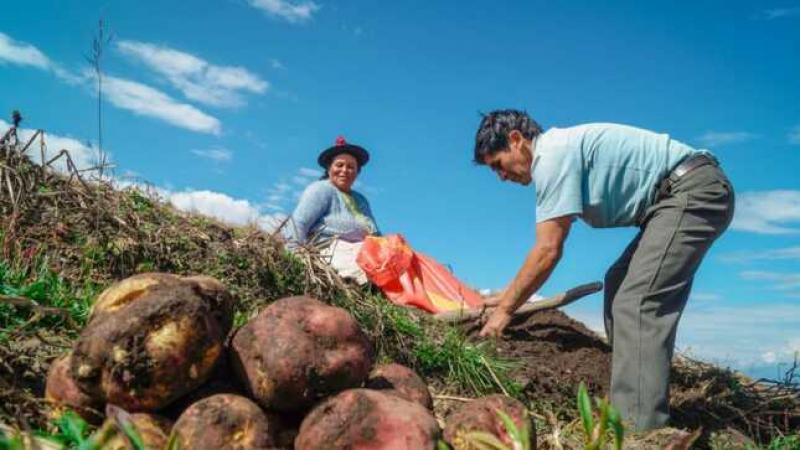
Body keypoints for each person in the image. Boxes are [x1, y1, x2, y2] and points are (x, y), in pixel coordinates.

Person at [472, 109, 734, 431]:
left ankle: (640, 429)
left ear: (516, 140)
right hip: (674, 198)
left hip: (691, 192)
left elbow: (547, 249)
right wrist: (509, 294)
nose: (501, 177)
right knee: (619, 281)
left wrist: (505, 311)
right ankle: (633, 392)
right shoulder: (558, 151)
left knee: (638, 302)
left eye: (498, 164)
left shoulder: (551, 156)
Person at [288, 136, 380, 284]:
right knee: (365, 271)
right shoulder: (321, 189)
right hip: (331, 249)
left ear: (357, 172)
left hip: (365, 250)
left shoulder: (361, 200)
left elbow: (376, 234)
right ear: (329, 168)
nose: (345, 170)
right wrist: (294, 257)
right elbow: (298, 223)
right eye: (339, 165)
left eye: (351, 167)